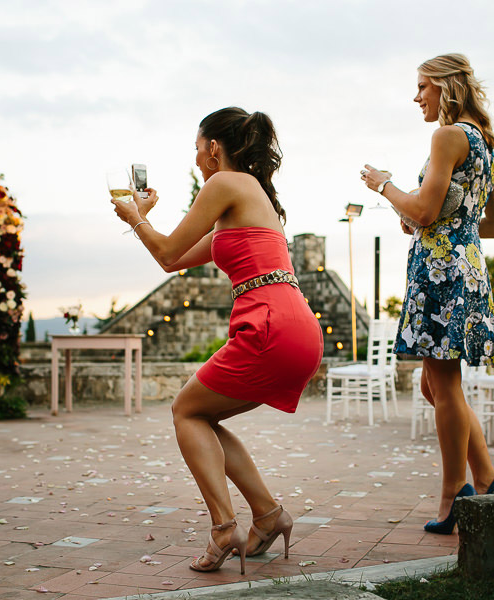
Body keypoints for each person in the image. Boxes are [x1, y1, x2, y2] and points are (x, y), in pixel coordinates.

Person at [111, 107, 324, 573]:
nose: (195, 161)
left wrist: (133, 217)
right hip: (296, 326)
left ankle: (224, 528)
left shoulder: (225, 183)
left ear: (213, 148)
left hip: (268, 325)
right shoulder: (249, 199)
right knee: (202, 416)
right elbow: (172, 259)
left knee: (185, 410)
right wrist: (144, 219)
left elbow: (165, 248)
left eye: (196, 149)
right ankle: (268, 515)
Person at [360, 54, 494, 534]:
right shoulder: (485, 144)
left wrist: (385, 185)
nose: (417, 96)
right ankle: (487, 478)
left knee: (442, 388)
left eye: (423, 86)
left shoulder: (446, 136)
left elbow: (423, 212)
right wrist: (442, 218)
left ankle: (454, 494)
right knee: (434, 385)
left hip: (439, 274)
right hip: (466, 267)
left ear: (447, 87)